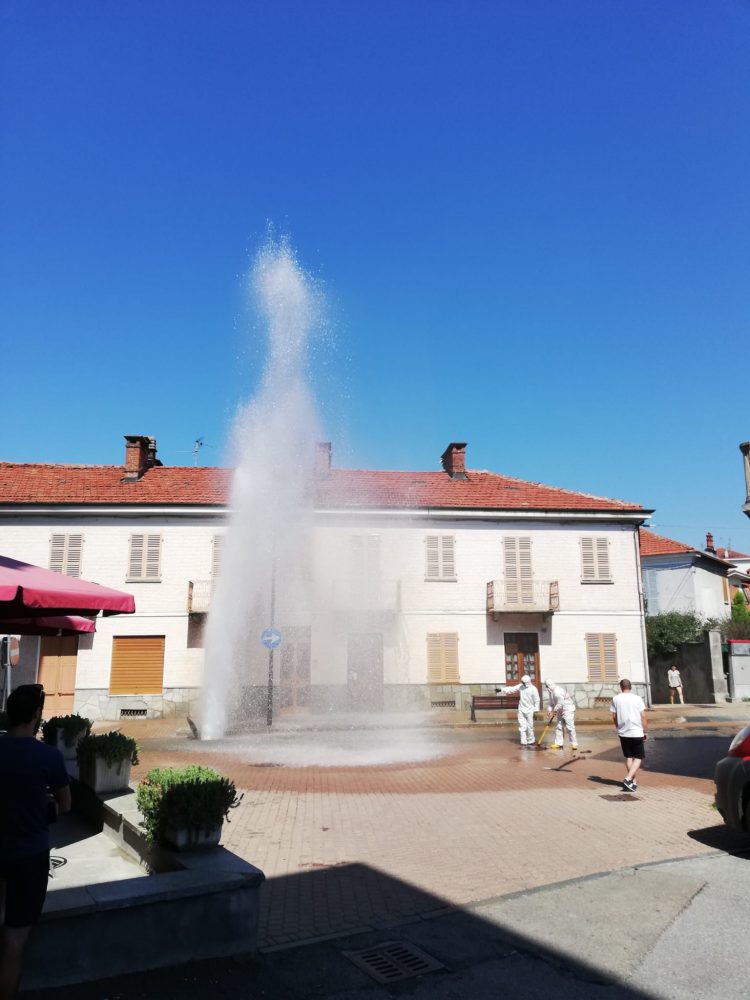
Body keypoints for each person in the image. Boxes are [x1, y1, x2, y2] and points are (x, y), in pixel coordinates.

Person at [0, 685, 71, 1000]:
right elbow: (66, 805)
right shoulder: (48, 756)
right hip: (29, 857)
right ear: (34, 716)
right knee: (14, 940)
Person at [610, 678, 648, 792]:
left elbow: (613, 716)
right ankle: (627, 779)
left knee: (629, 757)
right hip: (636, 731)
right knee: (639, 757)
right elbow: (643, 716)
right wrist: (645, 731)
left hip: (623, 732)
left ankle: (632, 781)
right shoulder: (637, 698)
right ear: (630, 687)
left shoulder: (616, 698)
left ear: (621, 687)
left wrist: (618, 727)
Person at [497, 674, 540, 746]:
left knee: (530, 726)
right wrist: (501, 689)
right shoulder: (521, 686)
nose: (522, 683)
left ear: (527, 682)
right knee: (522, 726)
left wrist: (536, 711)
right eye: (522, 682)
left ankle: (531, 740)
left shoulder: (533, 689)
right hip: (521, 709)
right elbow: (512, 689)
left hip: (530, 710)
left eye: (523, 682)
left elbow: (537, 700)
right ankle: (523, 741)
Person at [544, 679, 578, 750]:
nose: (546, 687)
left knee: (570, 727)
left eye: (546, 686)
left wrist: (555, 710)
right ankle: (559, 743)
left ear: (549, 685)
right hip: (560, 710)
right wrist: (549, 710)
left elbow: (561, 703)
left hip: (567, 709)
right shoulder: (551, 692)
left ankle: (574, 744)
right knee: (559, 727)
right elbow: (551, 702)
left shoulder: (558, 691)